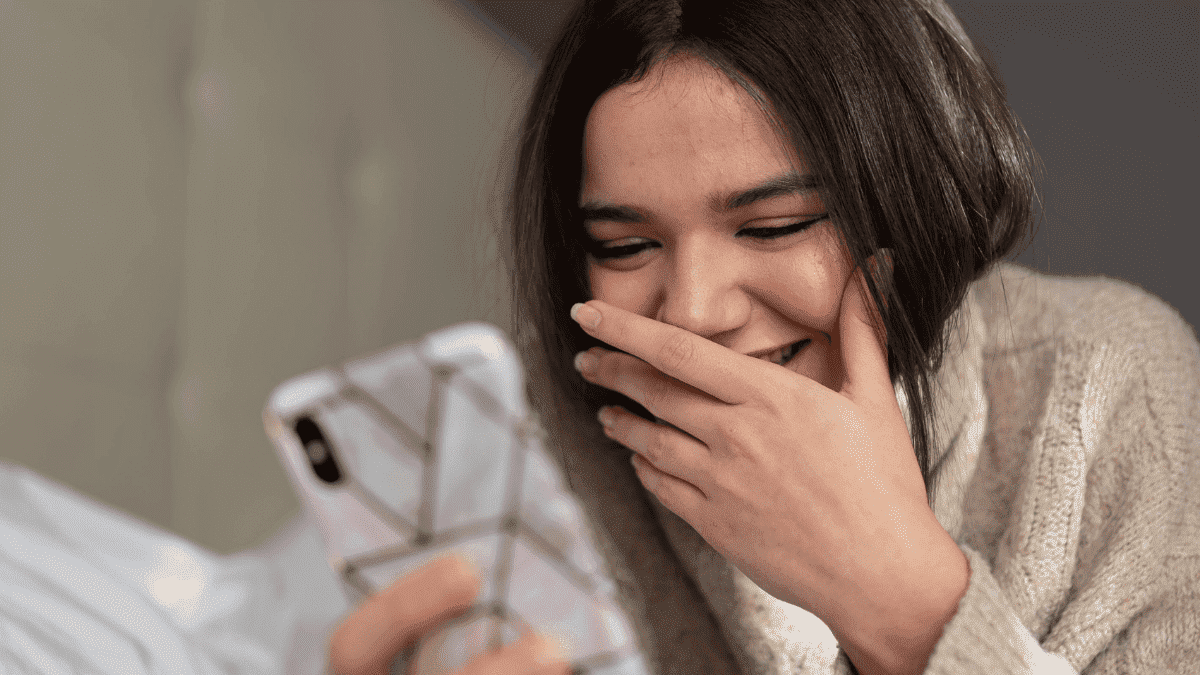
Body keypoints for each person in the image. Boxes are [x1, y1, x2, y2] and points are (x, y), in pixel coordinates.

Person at [329, 1, 1200, 674]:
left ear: (911, 201)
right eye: (625, 246)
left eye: (776, 225)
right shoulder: (528, 457)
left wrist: (905, 603)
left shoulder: (1103, 390)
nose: (695, 310)